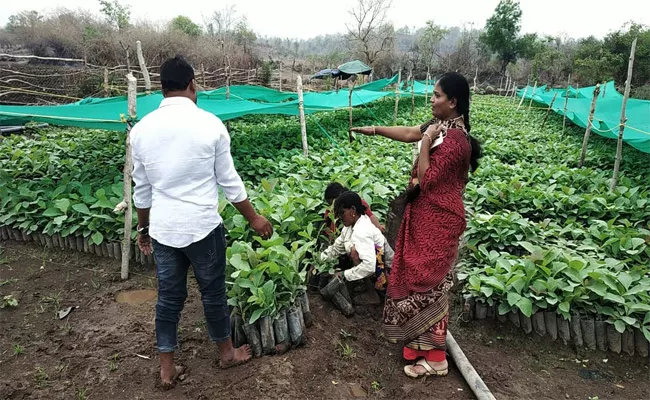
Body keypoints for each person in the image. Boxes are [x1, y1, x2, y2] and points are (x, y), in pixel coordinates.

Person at [130, 55, 273, 389]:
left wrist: (143, 229)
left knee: (168, 298)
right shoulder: (210, 125)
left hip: (164, 231)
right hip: (202, 228)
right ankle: (226, 354)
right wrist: (253, 218)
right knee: (212, 293)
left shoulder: (140, 131)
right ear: (193, 84)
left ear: (161, 87)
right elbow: (230, 181)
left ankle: (166, 370)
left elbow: (143, 191)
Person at [350, 72, 482, 378]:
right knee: (414, 279)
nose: (431, 100)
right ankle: (419, 350)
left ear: (453, 101)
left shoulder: (455, 142)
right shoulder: (442, 128)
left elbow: (427, 179)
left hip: (438, 223)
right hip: (424, 217)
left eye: (437, 95)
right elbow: (411, 131)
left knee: (429, 286)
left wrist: (426, 141)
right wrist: (375, 130)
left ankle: (436, 358)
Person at [320, 191, 390, 306]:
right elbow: (336, 248)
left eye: (342, 213)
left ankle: (374, 293)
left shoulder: (362, 230)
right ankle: (369, 285)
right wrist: (318, 259)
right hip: (376, 264)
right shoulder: (349, 227)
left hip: (386, 269)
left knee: (354, 252)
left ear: (353, 210)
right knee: (352, 249)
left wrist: (343, 274)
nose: (339, 217)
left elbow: (369, 266)